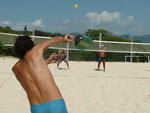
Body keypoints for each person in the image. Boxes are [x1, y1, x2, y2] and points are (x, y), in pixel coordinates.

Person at [12, 34, 75, 113]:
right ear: (31, 45)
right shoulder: (35, 51)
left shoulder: (16, 69)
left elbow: (31, 72)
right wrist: (64, 39)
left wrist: (47, 61)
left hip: (36, 108)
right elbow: (54, 40)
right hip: (55, 103)